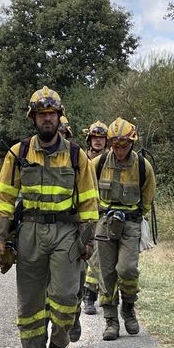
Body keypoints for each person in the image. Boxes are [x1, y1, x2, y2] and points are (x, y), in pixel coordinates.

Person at [0, 86, 99, 348]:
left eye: (51, 114)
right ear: (34, 118)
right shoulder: (18, 153)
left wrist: (88, 240)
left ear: (59, 117)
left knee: (65, 297)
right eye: (42, 114)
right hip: (29, 234)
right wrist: (0, 236)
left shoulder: (78, 157)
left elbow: (90, 202)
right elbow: (3, 198)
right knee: (29, 305)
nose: (47, 119)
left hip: (65, 232)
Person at [91, 117, 156, 341]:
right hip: (105, 223)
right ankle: (110, 320)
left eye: (124, 146)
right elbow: (88, 192)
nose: (119, 151)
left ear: (132, 143)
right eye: (115, 146)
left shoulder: (142, 166)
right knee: (106, 272)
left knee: (127, 269)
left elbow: (148, 197)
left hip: (130, 223)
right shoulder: (98, 164)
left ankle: (128, 308)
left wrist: (136, 217)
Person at [82, 121, 109, 315]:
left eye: (101, 137)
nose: (98, 141)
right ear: (89, 139)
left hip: (106, 215)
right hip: (85, 215)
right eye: (94, 137)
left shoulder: (112, 160)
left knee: (100, 256)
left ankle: (92, 294)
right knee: (87, 255)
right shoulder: (82, 159)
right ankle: (87, 294)